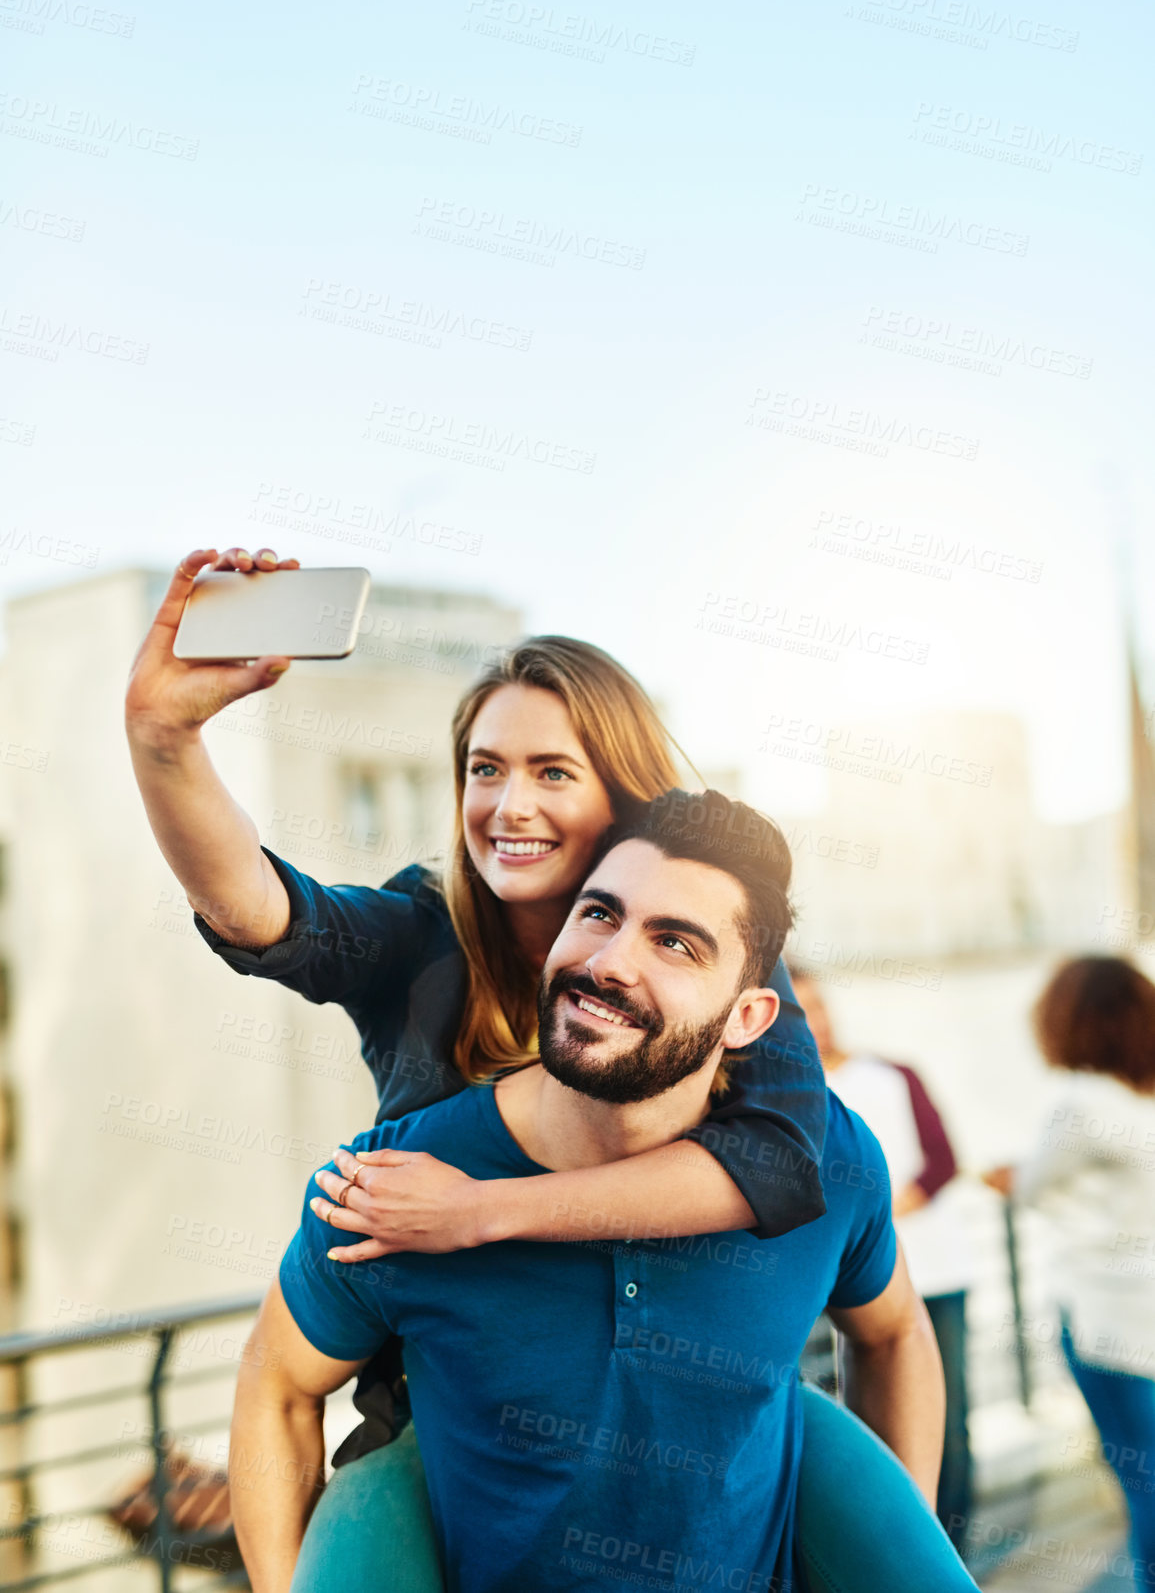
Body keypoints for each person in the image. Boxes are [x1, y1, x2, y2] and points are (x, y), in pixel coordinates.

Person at [125, 548, 959, 1591]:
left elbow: (789, 1167)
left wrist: (484, 1210)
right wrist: (165, 739)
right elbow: (264, 911)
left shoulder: (732, 980)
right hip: (451, 1407)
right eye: (485, 768)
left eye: (552, 771)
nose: (509, 806)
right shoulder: (422, 938)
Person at [231, 791, 978, 1593]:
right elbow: (276, 1387)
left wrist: (888, 1537)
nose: (611, 960)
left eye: (676, 944)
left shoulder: (828, 1162)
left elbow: (894, 1332)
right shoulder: (396, 1181)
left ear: (748, 1016)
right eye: (598, 914)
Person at [986, 957, 1155, 1592]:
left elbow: (1031, 1187)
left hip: (1110, 1321)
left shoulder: (1083, 1104)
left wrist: (1002, 1176)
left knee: (1143, 1485)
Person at [792, 964, 974, 1546]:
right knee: (839, 1429)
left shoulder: (890, 1075)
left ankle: (944, 1554)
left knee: (942, 1425)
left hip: (927, 1274)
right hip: (825, 1282)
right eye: (799, 1010)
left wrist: (872, 1214)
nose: (814, 1022)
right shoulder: (778, 1095)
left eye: (818, 1007)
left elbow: (943, 1160)